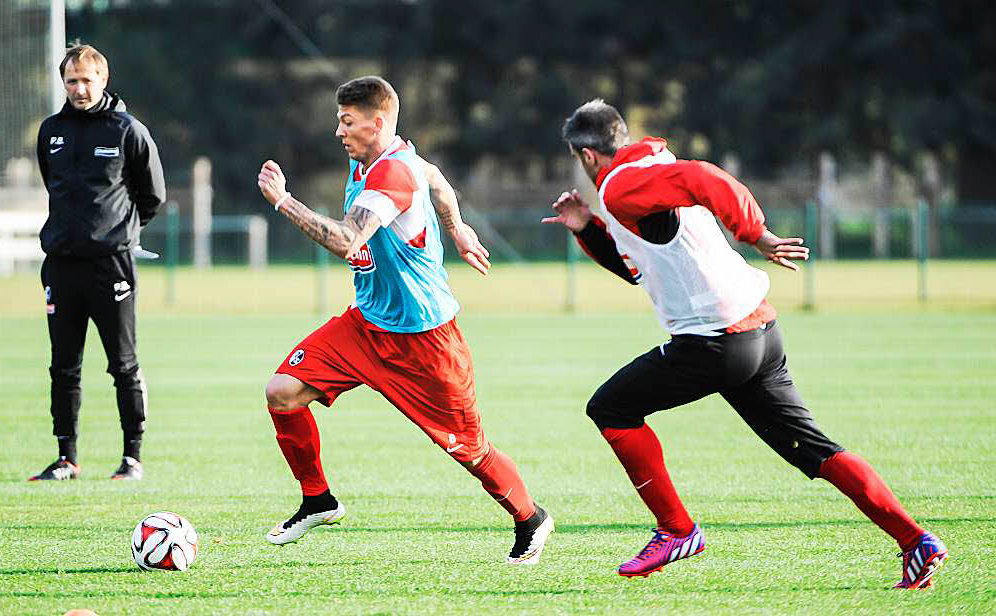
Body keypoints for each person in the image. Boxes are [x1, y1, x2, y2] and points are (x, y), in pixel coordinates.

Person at [543, 99, 946, 588]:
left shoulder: (623, 183)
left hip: (714, 344)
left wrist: (756, 234)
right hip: (758, 333)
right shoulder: (645, 171)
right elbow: (639, 267)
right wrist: (588, 227)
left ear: (585, 155)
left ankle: (677, 530)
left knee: (610, 408)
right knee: (815, 451)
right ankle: (915, 540)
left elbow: (708, 179)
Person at [255, 76, 554, 564]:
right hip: (366, 326)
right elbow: (436, 178)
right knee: (282, 392)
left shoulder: (392, 174)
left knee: (470, 450)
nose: (338, 132)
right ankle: (318, 500)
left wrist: (284, 201)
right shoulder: (376, 159)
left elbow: (346, 241)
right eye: (338, 120)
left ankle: (530, 517)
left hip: (426, 342)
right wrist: (456, 227)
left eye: (347, 122)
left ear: (377, 123)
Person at [31, 44, 165, 481]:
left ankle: (132, 457)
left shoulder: (128, 130)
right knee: (63, 364)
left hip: (112, 266)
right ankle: (66, 457)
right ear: (64, 83)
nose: (80, 89)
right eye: (72, 81)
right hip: (61, 266)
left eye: (87, 80)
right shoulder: (51, 130)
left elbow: (152, 196)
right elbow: (52, 184)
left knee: (122, 363)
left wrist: (119, 232)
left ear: (103, 80)